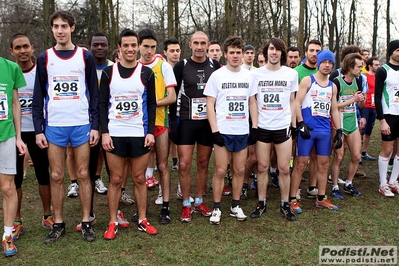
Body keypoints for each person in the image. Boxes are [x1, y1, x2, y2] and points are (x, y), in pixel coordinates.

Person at [32, 10, 99, 243]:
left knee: (83, 174)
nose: (60, 30)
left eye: (64, 26)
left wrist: (95, 125)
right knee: (57, 174)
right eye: (56, 26)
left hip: (81, 123)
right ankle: (58, 223)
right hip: (55, 126)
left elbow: (94, 91)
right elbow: (39, 95)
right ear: (52, 29)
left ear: (72, 28)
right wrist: (39, 129)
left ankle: (85, 221)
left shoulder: (85, 56)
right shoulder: (44, 58)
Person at [99, 29, 158, 239]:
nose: (131, 49)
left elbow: (152, 104)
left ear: (139, 47)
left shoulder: (147, 73)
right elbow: (102, 103)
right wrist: (104, 133)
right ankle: (112, 221)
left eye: (134, 45)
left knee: (139, 178)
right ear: (119, 47)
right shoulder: (109, 72)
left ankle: (142, 219)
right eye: (126, 45)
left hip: (139, 133)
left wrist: (150, 132)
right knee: (115, 179)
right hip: (115, 133)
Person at [204, 36, 257, 224]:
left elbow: (252, 102)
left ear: (243, 55)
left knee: (239, 169)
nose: (235, 56)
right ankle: (217, 208)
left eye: (238, 52)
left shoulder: (249, 76)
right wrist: (214, 130)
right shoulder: (217, 75)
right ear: (225, 54)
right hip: (223, 130)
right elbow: (210, 104)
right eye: (232, 52)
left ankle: (235, 205)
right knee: (220, 170)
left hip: (242, 130)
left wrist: (255, 127)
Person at [171, 31, 221, 222]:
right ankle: (186, 203)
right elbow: (173, 96)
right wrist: (173, 125)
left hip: (207, 123)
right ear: (190, 44)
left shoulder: (215, 66)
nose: (199, 47)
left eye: (203, 43)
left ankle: (199, 201)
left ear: (207, 45)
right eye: (196, 43)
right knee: (183, 164)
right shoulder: (181, 65)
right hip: (186, 121)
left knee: (203, 163)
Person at [9, 33, 54, 241]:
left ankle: (47, 215)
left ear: (32, 47)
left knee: (43, 175)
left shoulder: (41, 71)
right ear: (12, 52)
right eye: (18, 48)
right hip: (15, 133)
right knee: (15, 178)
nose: (22, 51)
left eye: (25, 46)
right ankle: (17, 221)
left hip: (38, 132)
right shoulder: (9, 72)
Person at [249, 38, 298, 221]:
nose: (274, 52)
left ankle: (285, 204)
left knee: (284, 168)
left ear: (282, 53)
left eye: (278, 49)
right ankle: (261, 202)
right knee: (262, 166)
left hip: (282, 127)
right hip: (263, 126)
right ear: (266, 52)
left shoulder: (291, 74)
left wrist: (293, 126)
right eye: (271, 49)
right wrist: (254, 126)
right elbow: (252, 101)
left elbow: (293, 101)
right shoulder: (256, 74)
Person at [289, 50, 342, 212]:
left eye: (330, 63)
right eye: (324, 62)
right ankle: (292, 199)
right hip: (308, 129)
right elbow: (296, 103)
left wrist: (338, 130)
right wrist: (300, 123)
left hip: (324, 131)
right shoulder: (307, 80)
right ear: (318, 63)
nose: (327, 65)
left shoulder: (332, 86)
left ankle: (321, 197)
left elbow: (333, 110)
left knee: (323, 164)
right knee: (300, 164)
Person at [138, 29, 177, 223]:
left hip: (161, 122)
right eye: (145, 46)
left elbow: (172, 97)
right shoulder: (134, 67)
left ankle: (166, 206)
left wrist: (152, 104)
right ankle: (140, 207)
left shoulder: (163, 67)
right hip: (138, 124)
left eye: (153, 47)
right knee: (139, 169)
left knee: (162, 165)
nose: (149, 51)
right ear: (138, 46)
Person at [0, 55, 27, 256]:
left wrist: (18, 137)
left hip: (6, 136)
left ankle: (8, 235)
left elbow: (16, 103)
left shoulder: (11, 67)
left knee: (8, 188)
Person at [329, 53, 365, 199]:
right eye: (359, 66)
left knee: (356, 156)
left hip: (352, 122)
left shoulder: (359, 80)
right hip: (339, 123)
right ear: (350, 67)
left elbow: (360, 104)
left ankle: (349, 183)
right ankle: (335, 186)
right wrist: (352, 99)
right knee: (339, 156)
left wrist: (361, 100)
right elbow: (333, 106)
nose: (361, 69)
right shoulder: (336, 82)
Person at [293, 40, 322, 200]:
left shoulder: (323, 72)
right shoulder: (297, 72)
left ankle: (312, 187)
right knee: (300, 157)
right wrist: (298, 121)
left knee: (316, 156)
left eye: (318, 51)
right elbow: (293, 100)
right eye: (311, 50)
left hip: (319, 122)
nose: (314, 54)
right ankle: (295, 189)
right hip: (301, 121)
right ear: (305, 53)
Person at [375, 40, 399, 197]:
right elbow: (377, 96)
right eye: (398, 50)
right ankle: (383, 184)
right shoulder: (383, 70)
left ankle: (393, 181)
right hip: (389, 115)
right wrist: (382, 120)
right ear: (391, 51)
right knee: (388, 149)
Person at [361, 57, 380, 160]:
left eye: (378, 64)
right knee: (361, 131)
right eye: (376, 65)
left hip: (374, 107)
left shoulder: (378, 77)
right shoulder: (364, 77)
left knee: (369, 131)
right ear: (370, 66)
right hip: (366, 106)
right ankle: (358, 153)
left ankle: (364, 152)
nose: (378, 66)